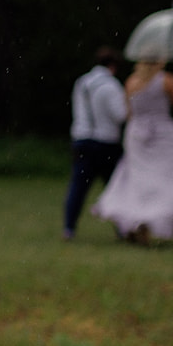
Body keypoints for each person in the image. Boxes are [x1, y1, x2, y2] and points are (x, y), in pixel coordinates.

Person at [91, 59, 173, 244]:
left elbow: (129, 113)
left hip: (137, 135)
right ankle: (147, 223)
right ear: (160, 59)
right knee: (166, 180)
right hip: (163, 137)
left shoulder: (131, 82)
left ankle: (136, 224)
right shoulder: (167, 81)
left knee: (137, 182)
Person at [63, 45, 127, 240]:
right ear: (113, 66)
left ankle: (69, 228)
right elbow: (120, 115)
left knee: (78, 187)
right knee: (116, 188)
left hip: (82, 140)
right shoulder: (111, 86)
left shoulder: (82, 82)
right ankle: (122, 228)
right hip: (105, 142)